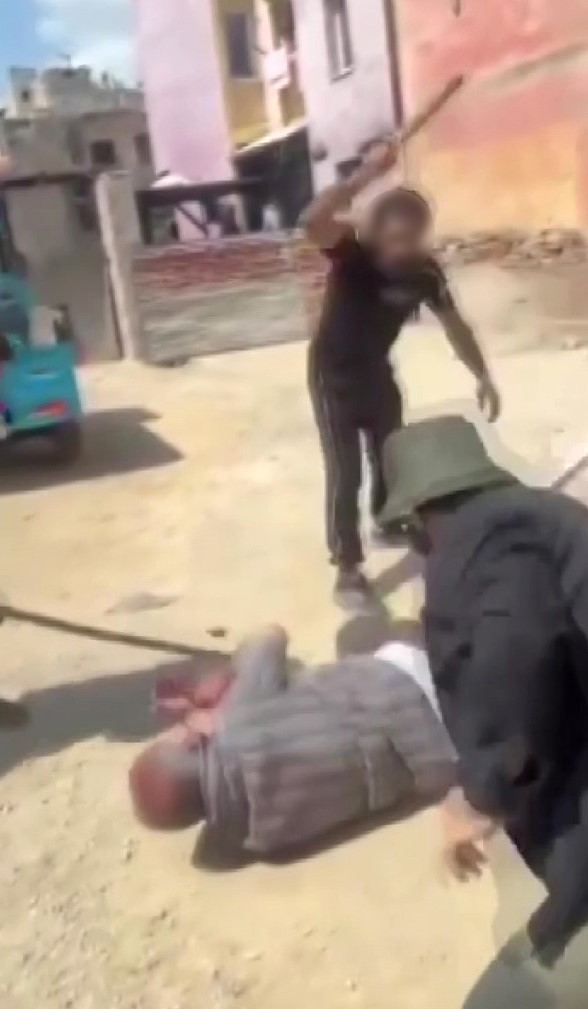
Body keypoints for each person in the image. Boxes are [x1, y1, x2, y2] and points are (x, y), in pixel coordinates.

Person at [379, 414, 588, 1002]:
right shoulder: (553, 519)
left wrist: (480, 796)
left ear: (417, 515)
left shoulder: (475, 546)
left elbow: (516, 650)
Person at [301, 139, 501, 611]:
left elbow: (455, 325)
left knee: (392, 453)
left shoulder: (425, 272)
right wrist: (366, 174)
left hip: (375, 370)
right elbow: (311, 221)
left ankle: (387, 520)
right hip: (333, 376)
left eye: (412, 239)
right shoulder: (352, 254)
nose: (402, 250)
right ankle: (347, 567)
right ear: (376, 233)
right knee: (345, 470)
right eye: (394, 239)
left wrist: (482, 375)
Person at [129, 625, 456, 856]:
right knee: (372, 634)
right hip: (409, 687)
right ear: (190, 742)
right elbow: (270, 637)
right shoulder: (240, 716)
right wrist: (226, 683)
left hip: (436, 758)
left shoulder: (258, 837)